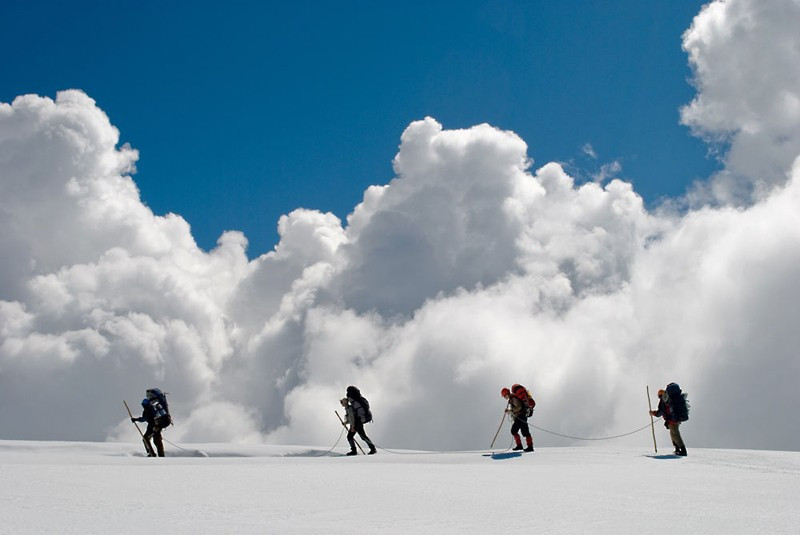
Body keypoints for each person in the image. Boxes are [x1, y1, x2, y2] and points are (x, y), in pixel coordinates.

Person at [131, 388, 171, 457]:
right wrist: (136, 420)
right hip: (158, 424)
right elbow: (146, 418)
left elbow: (145, 418)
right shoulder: (154, 406)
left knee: (147, 438)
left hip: (155, 425)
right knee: (154, 438)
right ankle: (158, 454)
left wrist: (136, 420)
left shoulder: (149, 409)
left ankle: (152, 454)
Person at [650, 387, 687, 456]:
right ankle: (677, 449)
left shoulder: (663, 401)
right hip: (675, 419)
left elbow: (660, 412)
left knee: (675, 434)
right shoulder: (668, 399)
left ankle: (683, 450)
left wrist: (653, 413)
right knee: (673, 434)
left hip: (672, 420)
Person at [342, 385, 376, 456]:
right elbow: (352, 416)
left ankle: (354, 451)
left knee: (350, 436)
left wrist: (352, 426)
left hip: (356, 423)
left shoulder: (351, 406)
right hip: (359, 422)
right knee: (363, 436)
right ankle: (372, 448)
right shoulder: (356, 402)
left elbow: (352, 417)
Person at [501, 387, 534, 452]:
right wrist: (510, 411)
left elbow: (519, 407)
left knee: (516, 430)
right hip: (522, 415)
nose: (504, 397)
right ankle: (528, 446)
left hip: (521, 416)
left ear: (506, 394)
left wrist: (510, 411)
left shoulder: (513, 398)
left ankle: (522, 446)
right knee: (523, 431)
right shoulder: (512, 398)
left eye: (504, 396)